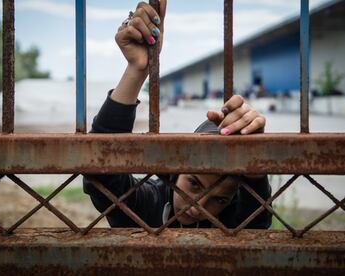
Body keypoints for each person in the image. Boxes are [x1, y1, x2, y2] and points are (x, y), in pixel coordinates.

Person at [83, 0, 271, 229]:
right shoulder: (150, 202)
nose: (197, 207)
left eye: (219, 200)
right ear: (175, 172)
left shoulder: (232, 218)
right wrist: (137, 69)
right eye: (193, 183)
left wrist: (255, 166)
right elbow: (100, 176)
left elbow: (257, 221)